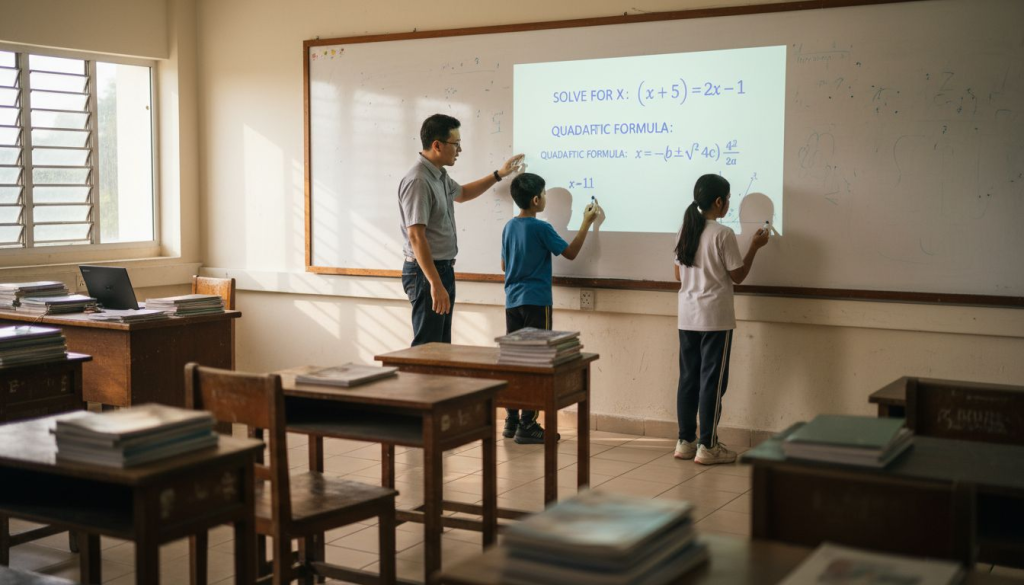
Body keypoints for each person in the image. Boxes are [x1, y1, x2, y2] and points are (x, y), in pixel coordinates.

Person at [398, 114, 524, 346]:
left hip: (441, 269)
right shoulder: (419, 180)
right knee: (428, 347)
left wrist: (499, 175)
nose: (460, 149)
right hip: (426, 273)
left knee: (442, 346)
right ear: (437, 145)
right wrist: (435, 283)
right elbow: (416, 236)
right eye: (455, 144)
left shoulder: (439, 175)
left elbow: (463, 194)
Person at [673, 174, 770, 465]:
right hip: (714, 318)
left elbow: (678, 274)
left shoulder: (686, 228)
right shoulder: (722, 234)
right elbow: (738, 275)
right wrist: (754, 246)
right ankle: (708, 446)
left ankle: (685, 441)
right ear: (719, 201)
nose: (729, 203)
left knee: (689, 380)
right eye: (728, 199)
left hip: (687, 315)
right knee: (712, 383)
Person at [500, 172, 601, 444]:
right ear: (536, 200)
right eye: (544, 195)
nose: (545, 199)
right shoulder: (541, 228)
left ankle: (511, 419)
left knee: (516, 360)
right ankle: (528, 424)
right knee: (538, 361)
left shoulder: (509, 226)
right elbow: (570, 253)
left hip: (512, 301)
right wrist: (586, 223)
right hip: (536, 301)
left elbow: (503, 266)